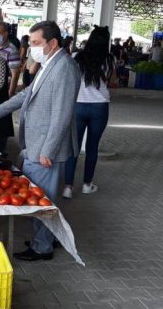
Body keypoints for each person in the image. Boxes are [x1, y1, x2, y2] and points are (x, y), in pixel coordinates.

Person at [0, 21, 80, 261]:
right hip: (37, 143)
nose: (31, 48)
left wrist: (49, 150)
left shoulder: (64, 68)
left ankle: (42, 247)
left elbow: (62, 114)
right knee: (42, 195)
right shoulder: (48, 64)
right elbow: (27, 94)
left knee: (43, 199)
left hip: (45, 147)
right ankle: (45, 238)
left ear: (52, 43)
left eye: (35, 43)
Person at [63, 26, 114, 199]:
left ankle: (68, 187)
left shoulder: (77, 57)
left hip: (78, 105)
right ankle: (86, 185)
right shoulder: (109, 60)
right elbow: (113, 82)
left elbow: (69, 78)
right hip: (100, 107)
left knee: (73, 147)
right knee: (92, 147)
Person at [0, 22, 22, 97]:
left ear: (6, 33)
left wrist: (10, 94)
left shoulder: (12, 50)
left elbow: (15, 75)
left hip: (2, 90)